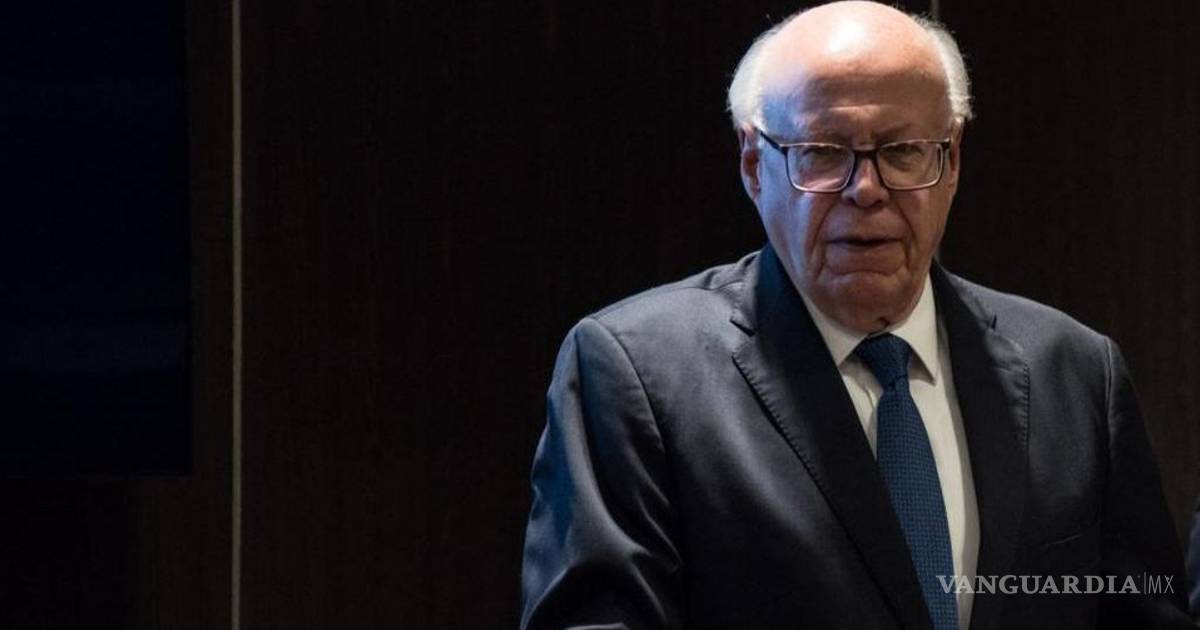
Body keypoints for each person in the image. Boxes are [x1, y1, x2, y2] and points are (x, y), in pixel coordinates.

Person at [519, 2, 1192, 628]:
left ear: (951, 159)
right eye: (822, 153)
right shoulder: (637, 372)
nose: (866, 190)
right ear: (754, 165)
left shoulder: (1075, 371)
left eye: (902, 152)